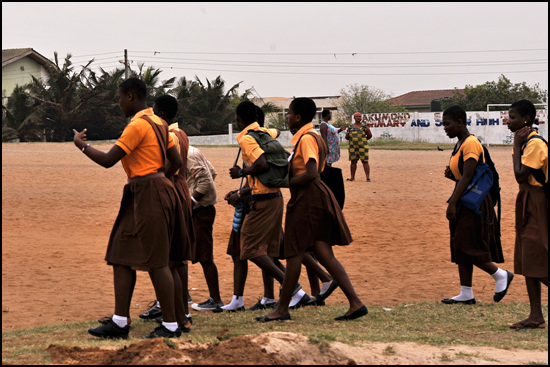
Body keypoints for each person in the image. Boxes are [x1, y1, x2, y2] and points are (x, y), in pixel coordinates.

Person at [75, 77, 187, 339]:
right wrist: (162, 178)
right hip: (145, 191)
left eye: (119, 97)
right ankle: (119, 321)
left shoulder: (137, 125)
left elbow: (107, 161)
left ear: (131, 96)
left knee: (158, 262)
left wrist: (81, 145)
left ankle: (170, 326)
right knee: (120, 255)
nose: (118, 102)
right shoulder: (160, 123)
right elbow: (177, 160)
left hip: (148, 193)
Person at [256, 97, 367, 322]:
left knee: (295, 252)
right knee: (323, 253)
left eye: (288, 113)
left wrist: (286, 181)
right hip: (313, 196)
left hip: (308, 198)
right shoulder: (313, 136)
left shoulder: (307, 139)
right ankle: (355, 303)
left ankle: (282, 309)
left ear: (298, 117)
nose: (286, 117)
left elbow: (312, 172)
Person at [225, 101, 310, 312]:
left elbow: (261, 164)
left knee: (250, 249)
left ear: (239, 119)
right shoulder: (264, 133)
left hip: (262, 200)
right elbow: (277, 130)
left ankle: (295, 290)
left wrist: (241, 173)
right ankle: (273, 296)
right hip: (275, 197)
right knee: (268, 250)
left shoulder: (247, 138)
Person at [441, 105, 513, 305]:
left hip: (474, 203)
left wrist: (453, 202)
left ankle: (500, 275)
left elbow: (470, 176)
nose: (444, 128)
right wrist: (453, 177)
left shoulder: (471, 143)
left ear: (459, 122)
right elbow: (464, 176)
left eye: (447, 124)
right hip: (466, 198)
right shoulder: (460, 144)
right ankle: (466, 292)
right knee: (460, 243)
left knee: (466, 243)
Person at [506, 99, 548, 330]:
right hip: (527, 199)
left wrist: (515, 145)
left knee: (536, 253)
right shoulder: (526, 142)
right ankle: (535, 315)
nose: (508, 121)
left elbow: (520, 175)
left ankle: (536, 315)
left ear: (526, 120)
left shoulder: (534, 144)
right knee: (527, 255)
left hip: (537, 200)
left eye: (512, 117)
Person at [186, 144, 225, 312]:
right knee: (184, 251)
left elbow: (207, 181)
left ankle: (216, 300)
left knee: (204, 255)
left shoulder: (187, 155)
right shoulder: (192, 150)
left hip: (199, 211)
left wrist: (192, 201)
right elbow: (213, 171)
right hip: (199, 210)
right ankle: (183, 294)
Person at [345, 112, 372, 182]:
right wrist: (348, 133)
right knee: (353, 161)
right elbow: (347, 137)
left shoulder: (364, 126)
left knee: (365, 161)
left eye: (360, 116)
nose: (358, 118)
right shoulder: (350, 127)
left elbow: (369, 135)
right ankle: (352, 177)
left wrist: (363, 141)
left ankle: (367, 177)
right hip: (352, 147)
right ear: (354, 118)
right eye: (357, 116)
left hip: (363, 146)